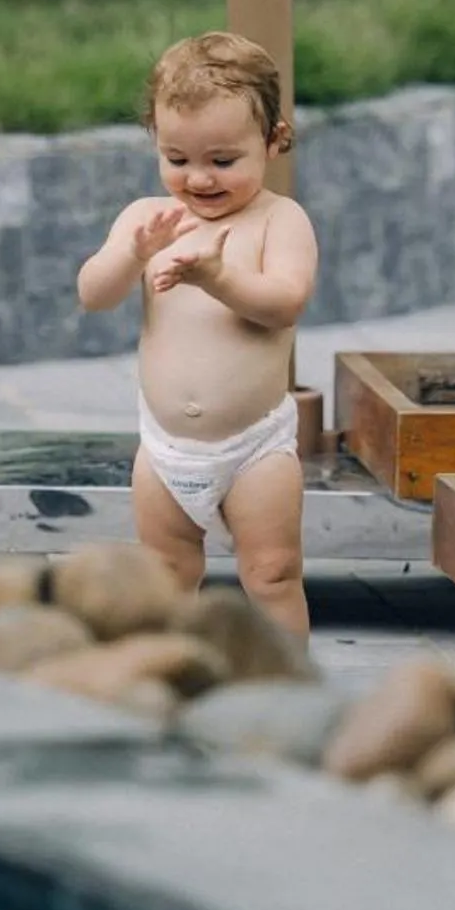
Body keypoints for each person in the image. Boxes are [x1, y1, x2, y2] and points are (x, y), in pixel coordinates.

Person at [76, 33, 317, 639]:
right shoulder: (146, 220)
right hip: (165, 450)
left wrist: (217, 277)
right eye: (177, 160)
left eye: (222, 161)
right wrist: (130, 255)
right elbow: (93, 295)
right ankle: (167, 668)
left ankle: (285, 684)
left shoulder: (279, 221)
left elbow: (284, 304)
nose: (199, 178)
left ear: (273, 141)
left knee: (273, 573)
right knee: (165, 573)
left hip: (254, 450)